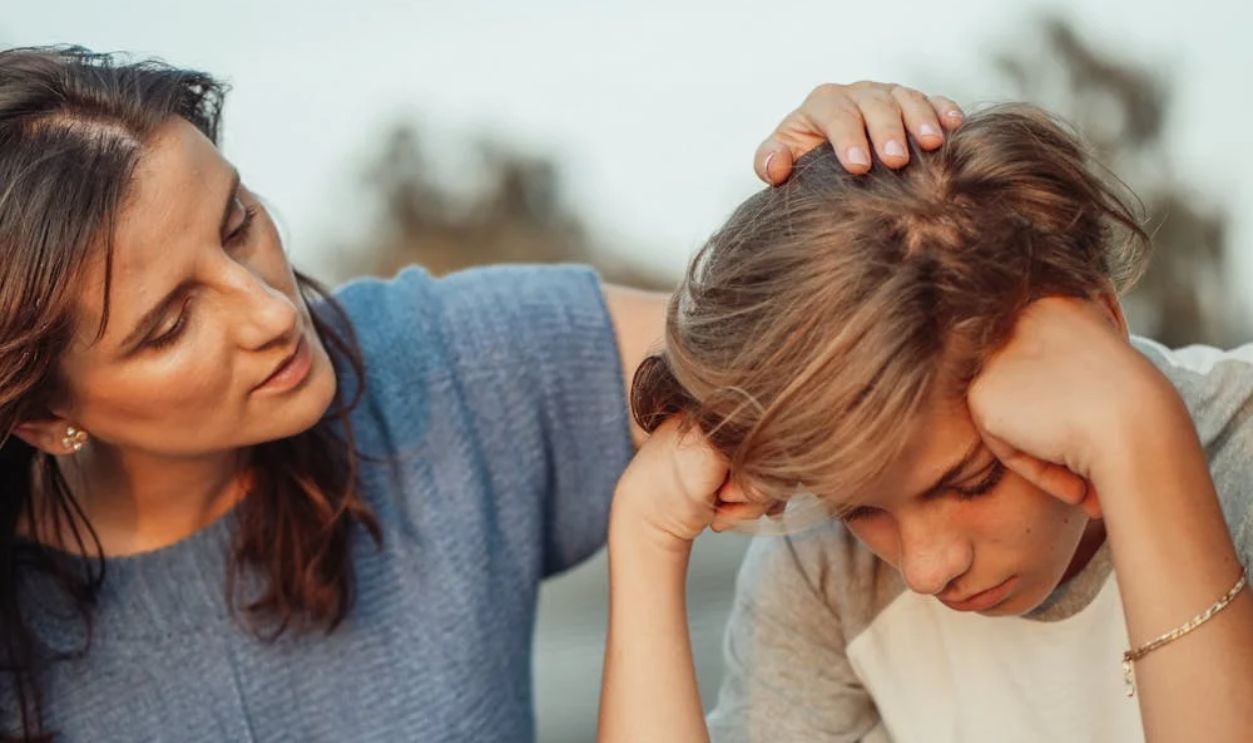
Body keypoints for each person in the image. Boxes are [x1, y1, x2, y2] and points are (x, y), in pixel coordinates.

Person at [0, 45, 963, 741]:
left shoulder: (444, 367)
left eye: (239, 221)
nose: (267, 313)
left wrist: (857, 202)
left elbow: (817, 347)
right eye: (171, 324)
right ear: (45, 416)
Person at [600, 104, 1253, 742]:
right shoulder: (823, 570)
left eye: (971, 482)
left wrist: (1141, 440)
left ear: (1101, 325)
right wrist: (644, 534)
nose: (925, 567)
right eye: (858, 507)